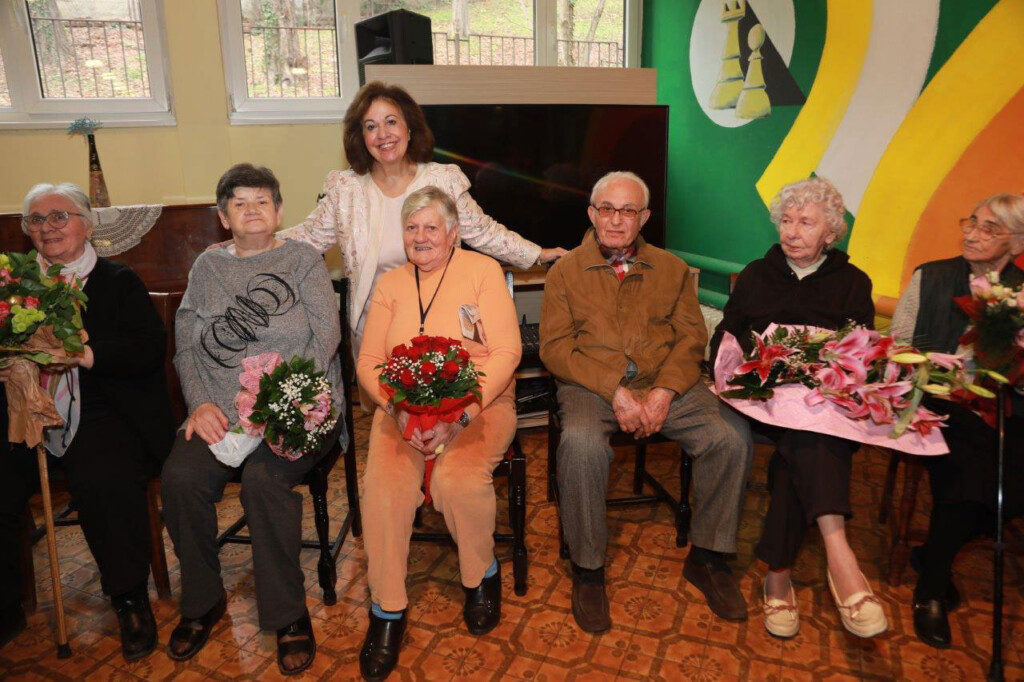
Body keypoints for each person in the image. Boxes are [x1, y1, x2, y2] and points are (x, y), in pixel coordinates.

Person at [540, 171, 753, 633]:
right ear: (592, 213)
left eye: (628, 210)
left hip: (666, 383)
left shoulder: (672, 269)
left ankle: (709, 558)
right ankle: (588, 569)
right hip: (590, 385)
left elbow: (691, 338)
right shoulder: (564, 272)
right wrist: (614, 390)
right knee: (582, 447)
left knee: (729, 438)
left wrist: (663, 392)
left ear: (645, 217)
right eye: (607, 209)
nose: (617, 220)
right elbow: (555, 349)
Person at [162, 164, 346, 676]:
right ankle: (202, 601)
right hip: (222, 410)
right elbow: (185, 343)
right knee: (180, 478)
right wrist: (200, 402)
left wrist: (287, 398)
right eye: (239, 203)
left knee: (264, 483)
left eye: (262, 200)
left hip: (300, 403)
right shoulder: (207, 267)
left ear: (279, 211)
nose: (252, 210)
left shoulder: (303, 260)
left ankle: (288, 615)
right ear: (224, 217)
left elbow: (326, 336)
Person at [0, 183, 175, 660]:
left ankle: (129, 597)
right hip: (23, 410)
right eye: (36, 220)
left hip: (103, 407)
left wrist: (84, 353)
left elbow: (146, 350)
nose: (47, 227)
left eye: (60, 216)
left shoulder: (117, 281)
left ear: (87, 224)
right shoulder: (11, 285)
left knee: (104, 477)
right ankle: (5, 604)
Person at [709, 177, 885, 640]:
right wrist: (737, 367)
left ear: (831, 231)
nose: (792, 231)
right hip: (760, 398)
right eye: (786, 220)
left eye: (806, 222)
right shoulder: (755, 274)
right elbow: (725, 336)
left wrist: (826, 369)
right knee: (809, 438)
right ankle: (839, 555)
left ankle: (779, 575)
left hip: (820, 402)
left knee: (805, 440)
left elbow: (862, 353)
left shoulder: (853, 283)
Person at [355, 186, 521, 680]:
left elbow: (506, 353)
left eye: (431, 227)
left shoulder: (482, 271)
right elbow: (369, 360)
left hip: (480, 403)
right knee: (382, 490)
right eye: (411, 227)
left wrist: (461, 414)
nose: (420, 236)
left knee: (457, 481)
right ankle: (387, 610)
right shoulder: (390, 284)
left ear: (453, 233)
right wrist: (397, 411)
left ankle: (481, 574)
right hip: (402, 410)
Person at [276, 80, 566, 354]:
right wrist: (253, 243)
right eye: (371, 126)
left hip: (447, 323)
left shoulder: (443, 180)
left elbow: (483, 231)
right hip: (376, 332)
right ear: (361, 137)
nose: (383, 134)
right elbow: (307, 237)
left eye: (391, 122)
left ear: (410, 128)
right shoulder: (346, 190)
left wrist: (538, 254)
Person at [891, 193, 1024, 649]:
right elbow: (897, 346)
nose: (972, 233)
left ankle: (932, 551)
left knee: (1010, 481)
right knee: (971, 474)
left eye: (990, 229)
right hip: (936, 398)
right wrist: (929, 371)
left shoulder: (1021, 290)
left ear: (1016, 242)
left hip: (1003, 404)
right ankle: (931, 587)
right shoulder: (932, 276)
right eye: (972, 222)